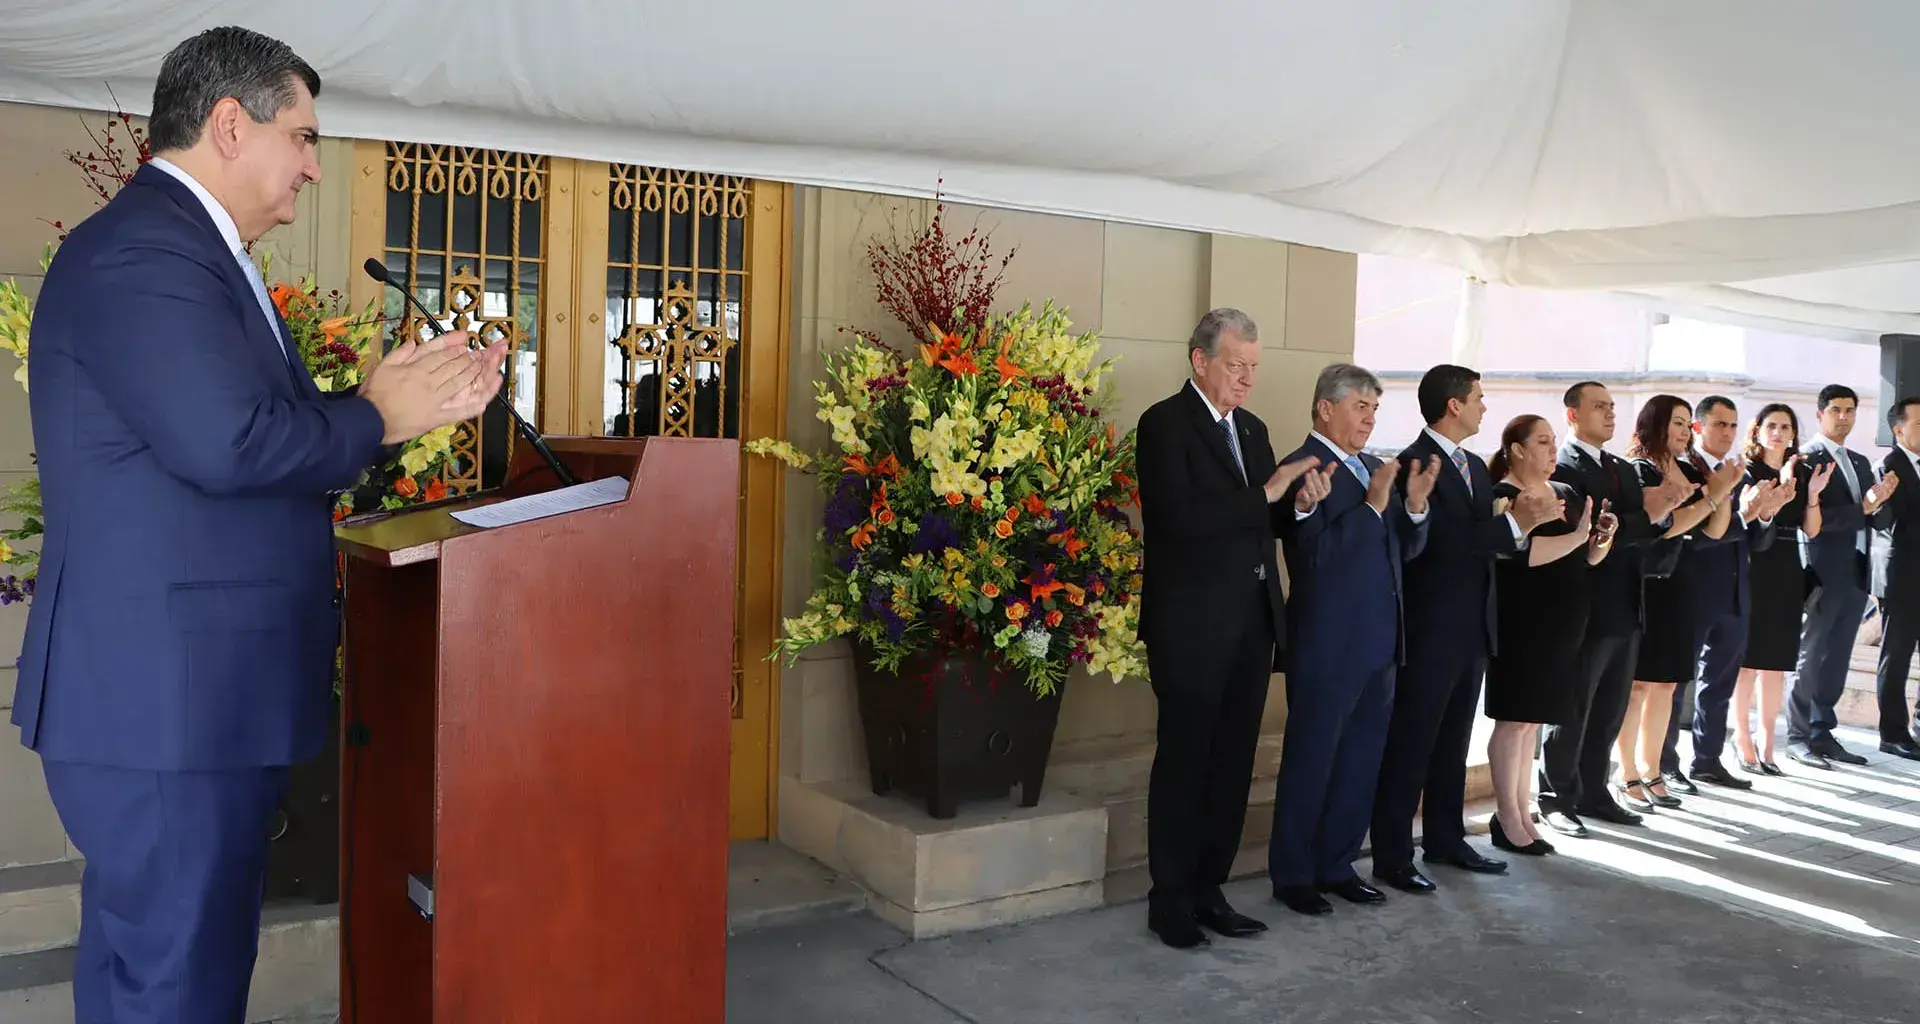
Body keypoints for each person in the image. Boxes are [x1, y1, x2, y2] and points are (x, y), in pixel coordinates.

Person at [11, 28, 508, 1022]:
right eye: (305, 136)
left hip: (185, 700)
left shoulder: (196, 252)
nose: (315, 166)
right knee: (176, 987)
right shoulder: (149, 251)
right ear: (230, 124)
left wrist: (377, 403)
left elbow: (234, 434)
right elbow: (227, 445)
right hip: (165, 704)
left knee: (152, 974)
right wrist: (377, 414)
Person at [1134, 308, 1326, 950]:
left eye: (1253, 367)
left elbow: (1265, 522)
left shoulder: (1254, 427)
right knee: (1186, 761)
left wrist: (1296, 505)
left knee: (1233, 763)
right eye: (1235, 365)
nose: (1246, 378)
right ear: (1200, 361)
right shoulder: (1164, 424)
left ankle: (1208, 889)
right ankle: (1170, 900)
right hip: (1190, 625)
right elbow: (1177, 519)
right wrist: (1271, 488)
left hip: (1252, 621)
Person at [1370, 365, 1553, 895]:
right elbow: (1441, 543)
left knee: (1452, 742)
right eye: (1478, 398)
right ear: (1453, 404)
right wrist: (1518, 522)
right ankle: (1392, 854)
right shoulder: (1412, 463)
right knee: (1411, 743)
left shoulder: (1473, 464)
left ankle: (1446, 839)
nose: (1483, 407)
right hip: (1429, 628)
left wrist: (1515, 528)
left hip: (1472, 625)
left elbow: (1485, 542)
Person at [1269, 363, 1436, 916]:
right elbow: (1313, 559)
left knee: (1362, 761)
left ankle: (1337, 865)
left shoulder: (1371, 468)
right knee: (1312, 760)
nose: (1369, 418)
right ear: (1325, 408)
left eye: (1374, 408)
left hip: (1381, 644)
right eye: (1360, 406)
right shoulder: (1300, 470)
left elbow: (1401, 556)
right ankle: (1293, 875)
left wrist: (1412, 507)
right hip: (1327, 644)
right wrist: (1370, 506)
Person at [1541, 382, 1688, 838]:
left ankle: (1593, 791)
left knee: (1609, 706)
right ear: (1572, 414)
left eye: (1611, 407)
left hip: (1626, 600)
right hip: (1583, 603)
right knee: (1572, 706)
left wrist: (1654, 516)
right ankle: (1556, 796)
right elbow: (1594, 528)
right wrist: (1645, 518)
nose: (1609, 414)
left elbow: (1634, 530)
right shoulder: (1564, 465)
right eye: (1598, 407)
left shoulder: (1620, 467)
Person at [1483, 414, 1615, 854]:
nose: (1552, 449)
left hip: (1564, 625)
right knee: (1514, 719)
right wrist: (1579, 538)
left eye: (1554, 441)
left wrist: (1599, 540)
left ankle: (1522, 813)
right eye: (1542, 441)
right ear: (1517, 449)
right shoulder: (1504, 494)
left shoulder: (1565, 492)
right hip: (1523, 622)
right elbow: (1521, 555)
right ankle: (1506, 816)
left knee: (1531, 724)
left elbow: (1588, 560)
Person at [1614, 396, 1740, 814]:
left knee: (1667, 684)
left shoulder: (1690, 470)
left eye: (1688, 424)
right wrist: (1711, 496)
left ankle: (1654, 770)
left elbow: (1715, 530)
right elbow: (1666, 529)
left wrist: (1721, 494)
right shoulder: (1640, 469)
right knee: (1638, 685)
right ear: (1656, 424)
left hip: (1683, 581)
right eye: (1678, 423)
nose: (1685, 431)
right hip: (1649, 582)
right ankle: (1625, 770)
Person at [1669, 396, 1788, 791]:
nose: (1728, 432)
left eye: (1734, 425)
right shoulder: (1685, 471)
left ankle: (1707, 759)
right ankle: (1665, 764)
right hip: (1692, 591)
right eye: (1720, 424)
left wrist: (1765, 513)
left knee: (1719, 682)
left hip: (1735, 593)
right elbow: (1699, 537)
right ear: (1698, 428)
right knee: (1675, 682)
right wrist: (1744, 515)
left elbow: (1756, 542)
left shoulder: (1737, 472)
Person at [1790, 385, 1897, 769]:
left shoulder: (1859, 460)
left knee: (1837, 658)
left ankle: (1822, 730)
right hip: (1820, 571)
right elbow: (1811, 520)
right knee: (1811, 655)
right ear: (1820, 414)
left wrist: (1883, 501)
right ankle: (1797, 735)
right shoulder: (1806, 460)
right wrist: (1865, 506)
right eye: (1835, 410)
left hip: (1856, 572)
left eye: (1850, 410)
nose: (1844, 417)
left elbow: (1874, 518)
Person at [1735, 404, 1830, 774]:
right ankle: (1741, 737)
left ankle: (1767, 741)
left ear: (1793, 433)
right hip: (1753, 565)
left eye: (1785, 426)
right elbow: (1744, 522)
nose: (1778, 432)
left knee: (1775, 663)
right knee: (1746, 662)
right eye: (1771, 425)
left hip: (1789, 566)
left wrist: (1811, 493)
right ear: (1757, 430)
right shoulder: (1747, 471)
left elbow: (1813, 529)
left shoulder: (1801, 471)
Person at [1869, 397, 1920, 760]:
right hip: (1902, 577)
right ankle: (1893, 732)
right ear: (1899, 429)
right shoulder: (1889, 465)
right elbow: (1884, 521)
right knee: (1897, 655)